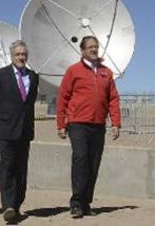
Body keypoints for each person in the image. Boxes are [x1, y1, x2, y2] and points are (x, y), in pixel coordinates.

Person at [56, 36, 121, 219]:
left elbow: (113, 99)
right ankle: (76, 203)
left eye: (96, 46)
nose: (94, 49)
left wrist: (115, 122)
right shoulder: (73, 71)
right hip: (78, 124)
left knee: (93, 163)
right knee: (81, 159)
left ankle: (86, 203)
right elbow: (63, 98)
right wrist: (61, 124)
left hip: (98, 124)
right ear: (82, 50)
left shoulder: (106, 72)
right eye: (90, 47)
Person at [0, 40, 38, 225]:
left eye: (24, 54)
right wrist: (2, 119)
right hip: (6, 130)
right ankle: (8, 205)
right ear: (11, 56)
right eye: (18, 54)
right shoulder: (0, 75)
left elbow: (29, 103)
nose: (21, 57)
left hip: (25, 131)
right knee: (8, 166)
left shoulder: (33, 76)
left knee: (21, 168)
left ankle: (16, 205)